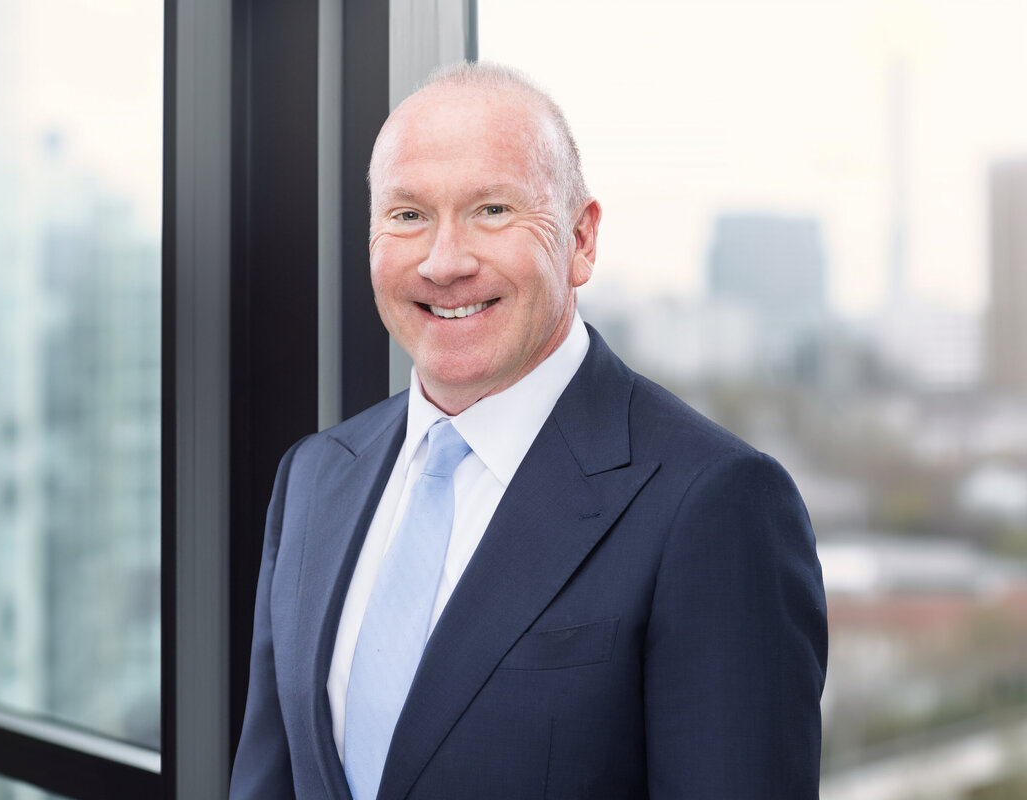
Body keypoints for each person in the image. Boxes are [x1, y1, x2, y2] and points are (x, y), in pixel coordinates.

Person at [230, 62, 828, 799]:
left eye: (492, 210)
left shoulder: (714, 503)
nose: (444, 262)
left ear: (581, 240)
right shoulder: (315, 476)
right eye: (408, 215)